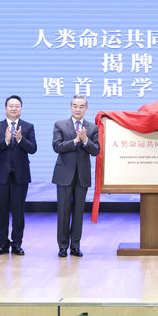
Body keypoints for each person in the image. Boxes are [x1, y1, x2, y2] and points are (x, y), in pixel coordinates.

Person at [0, 95, 37, 256]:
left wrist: (20, 139)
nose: (14, 108)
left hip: (20, 176)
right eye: (11, 106)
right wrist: (6, 140)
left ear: (21, 109)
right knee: (1, 212)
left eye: (17, 106)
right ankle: (2, 243)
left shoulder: (28, 127)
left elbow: (33, 149)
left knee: (18, 212)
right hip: (1, 176)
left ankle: (17, 244)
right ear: (5, 108)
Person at [52, 95, 100, 257]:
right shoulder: (60, 125)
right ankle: (63, 246)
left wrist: (85, 140)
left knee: (79, 212)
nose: (77, 109)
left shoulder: (92, 128)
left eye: (81, 106)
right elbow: (57, 146)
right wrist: (75, 141)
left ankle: (75, 246)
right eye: (75, 106)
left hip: (82, 175)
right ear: (70, 107)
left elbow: (96, 151)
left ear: (86, 109)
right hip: (63, 174)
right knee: (63, 211)